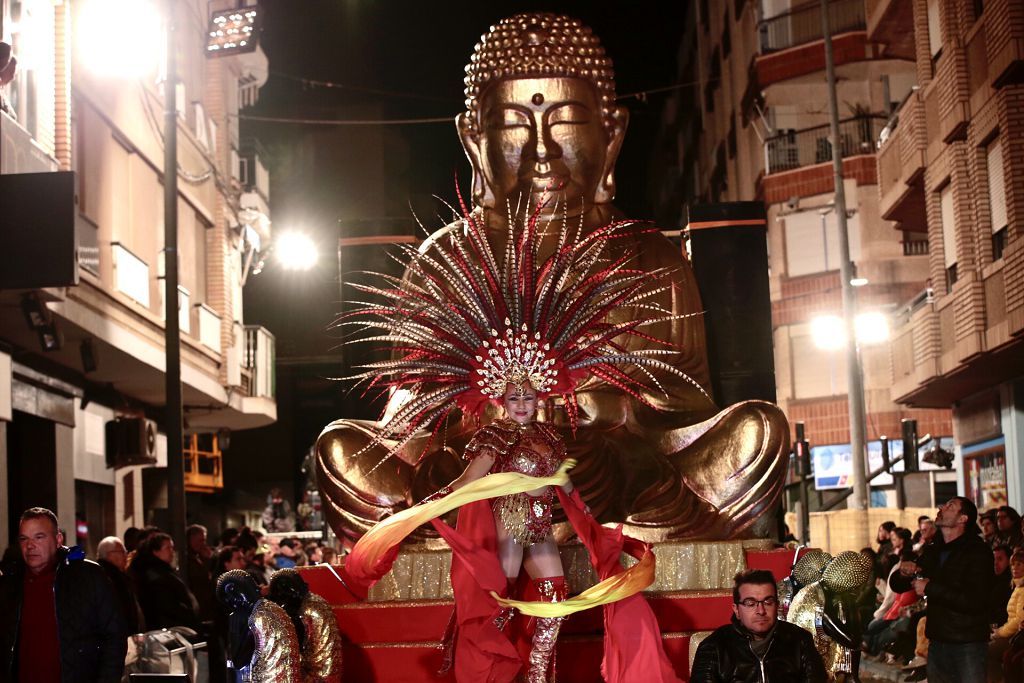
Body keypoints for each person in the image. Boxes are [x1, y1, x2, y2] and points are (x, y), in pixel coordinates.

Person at [315, 10, 791, 546]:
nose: (542, 150)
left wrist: (598, 426)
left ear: (611, 135)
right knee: (340, 451)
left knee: (758, 432)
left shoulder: (647, 256)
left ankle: (618, 526)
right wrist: (485, 424)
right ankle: (456, 527)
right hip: (477, 475)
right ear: (474, 140)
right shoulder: (445, 258)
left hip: (618, 475)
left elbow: (684, 407)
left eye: (566, 121)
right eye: (514, 124)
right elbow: (410, 416)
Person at [0, 507, 127, 682]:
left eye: (39, 537)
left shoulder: (88, 577)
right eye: (24, 539)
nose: (30, 546)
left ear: (58, 539)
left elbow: (114, 637)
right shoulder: (9, 584)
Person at [891, 496, 994, 683]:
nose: (941, 508)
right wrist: (903, 573)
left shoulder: (978, 551)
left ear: (963, 519)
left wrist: (930, 588)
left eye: (950, 506)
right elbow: (898, 585)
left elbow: (975, 601)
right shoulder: (934, 550)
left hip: (968, 643)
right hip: (938, 642)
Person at [691, 569, 827, 682]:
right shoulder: (713, 647)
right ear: (737, 610)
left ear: (777, 606)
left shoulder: (800, 640)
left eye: (768, 602)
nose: (761, 611)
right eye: (750, 603)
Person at [129, 531, 202, 632]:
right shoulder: (154, 575)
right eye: (168, 548)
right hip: (169, 629)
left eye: (172, 547)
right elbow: (167, 604)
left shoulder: (164, 571)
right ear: (156, 551)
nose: (172, 551)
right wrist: (188, 614)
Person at [96, 535, 144, 635]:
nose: (126, 556)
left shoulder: (116, 575)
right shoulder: (111, 578)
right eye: (122, 552)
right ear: (110, 555)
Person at [989, 549, 1024, 682]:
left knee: (989, 650)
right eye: (1013, 564)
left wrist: (999, 632)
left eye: (1019, 564)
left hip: (1015, 635)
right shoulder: (1017, 586)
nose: (1015, 567)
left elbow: (1018, 620)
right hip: (1013, 633)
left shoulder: (1022, 588)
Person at [993, 545, 1015, 626]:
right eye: (993, 559)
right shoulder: (991, 578)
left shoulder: (1012, 583)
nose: (995, 563)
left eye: (1000, 559)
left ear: (1009, 560)